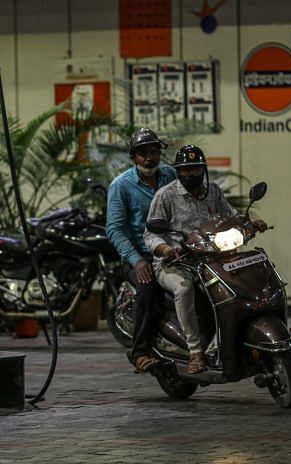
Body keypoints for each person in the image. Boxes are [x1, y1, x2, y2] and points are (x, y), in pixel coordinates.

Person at [144, 145, 266, 374]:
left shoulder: (214, 191)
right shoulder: (166, 195)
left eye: (195, 168)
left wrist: (250, 224)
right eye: (186, 169)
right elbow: (150, 233)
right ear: (178, 172)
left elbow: (230, 217)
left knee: (241, 282)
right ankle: (196, 351)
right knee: (184, 288)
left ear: (204, 169)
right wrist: (165, 249)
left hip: (212, 259)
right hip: (176, 263)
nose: (191, 174)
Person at [106, 128, 176, 374]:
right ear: (133, 157)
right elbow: (114, 229)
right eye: (143, 153)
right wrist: (136, 260)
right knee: (149, 287)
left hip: (173, 249)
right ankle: (141, 352)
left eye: (154, 152)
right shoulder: (121, 186)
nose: (149, 158)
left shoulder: (171, 176)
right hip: (140, 255)